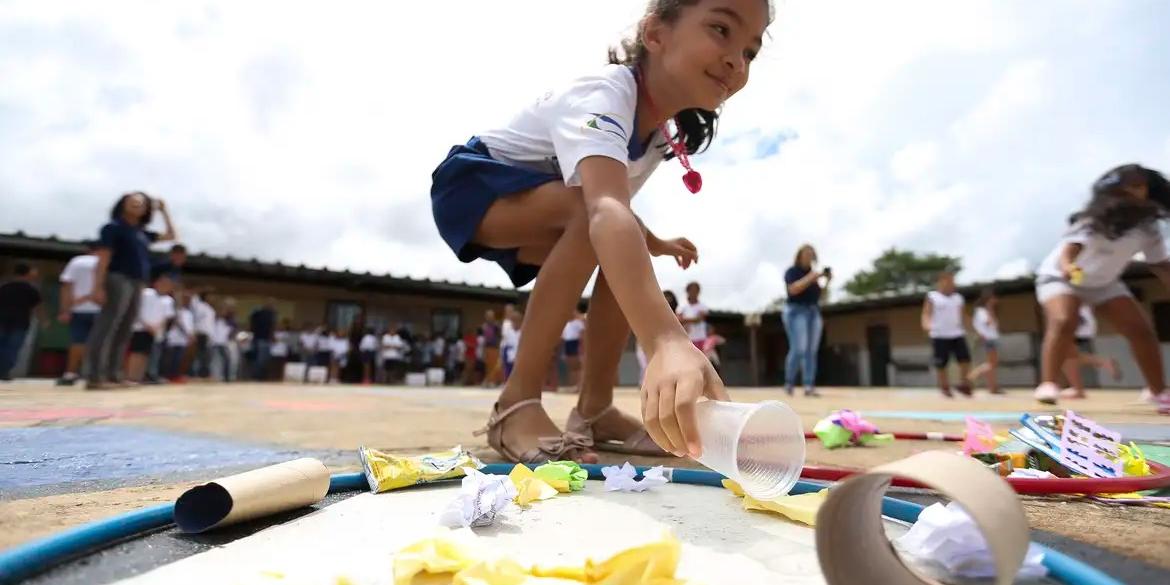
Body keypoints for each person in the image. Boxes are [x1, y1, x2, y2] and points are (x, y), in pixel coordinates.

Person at [429, 0, 768, 462]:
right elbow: (603, 207)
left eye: (751, 50)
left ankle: (594, 409)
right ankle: (515, 402)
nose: (736, 60)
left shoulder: (655, 140)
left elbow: (614, 211)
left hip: (556, 205)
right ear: (655, 34)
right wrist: (666, 339)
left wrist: (655, 243)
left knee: (620, 251)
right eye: (720, 29)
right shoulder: (604, 93)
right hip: (472, 186)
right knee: (595, 221)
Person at [1032, 164, 1170, 409]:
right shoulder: (1093, 220)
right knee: (1064, 320)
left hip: (1104, 283)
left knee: (1141, 330)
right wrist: (1067, 266)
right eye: (1129, 186)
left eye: (1140, 186)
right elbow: (1070, 249)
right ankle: (1049, 384)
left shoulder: (1149, 229)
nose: (1135, 191)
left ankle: (1157, 391)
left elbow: (1160, 264)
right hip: (1061, 278)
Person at [85, 192, 177, 390]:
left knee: (125, 329)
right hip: (118, 278)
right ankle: (96, 376)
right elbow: (104, 257)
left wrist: (164, 211)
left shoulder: (143, 233)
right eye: (132, 201)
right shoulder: (113, 228)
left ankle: (115, 375)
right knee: (109, 325)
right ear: (123, 205)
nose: (137, 204)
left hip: (138, 282)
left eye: (142, 203)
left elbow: (171, 236)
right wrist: (98, 286)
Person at [783, 244, 828, 397]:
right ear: (800, 255)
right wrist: (811, 277)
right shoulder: (792, 272)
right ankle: (789, 382)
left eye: (811, 254)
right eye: (806, 253)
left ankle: (809, 385)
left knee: (811, 351)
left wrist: (827, 281)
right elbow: (793, 289)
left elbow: (822, 296)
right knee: (798, 349)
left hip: (813, 311)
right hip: (796, 311)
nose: (809, 256)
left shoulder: (814, 275)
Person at [921, 270, 973, 397]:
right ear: (941, 282)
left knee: (965, 359)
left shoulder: (958, 298)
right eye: (948, 280)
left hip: (957, 333)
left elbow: (962, 315)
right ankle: (945, 387)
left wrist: (972, 326)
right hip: (939, 334)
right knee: (941, 363)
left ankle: (964, 384)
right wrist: (926, 324)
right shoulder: (932, 296)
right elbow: (926, 313)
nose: (951, 283)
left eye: (952, 281)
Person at [56, 242, 100, 385]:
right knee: (100, 343)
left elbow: (66, 286)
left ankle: (70, 373)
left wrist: (65, 309)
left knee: (77, 341)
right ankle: (95, 374)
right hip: (102, 309)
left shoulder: (77, 262)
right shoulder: (108, 263)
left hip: (78, 308)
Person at [1060, 305, 1121, 399]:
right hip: (1081, 319)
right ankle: (1103, 362)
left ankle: (1078, 389)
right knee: (1067, 355)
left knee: (1065, 354)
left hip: (1078, 319)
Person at [126, 273, 174, 382]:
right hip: (140, 327)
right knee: (136, 353)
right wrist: (147, 325)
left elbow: (166, 318)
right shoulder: (146, 294)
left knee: (145, 354)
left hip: (155, 331)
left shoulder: (168, 300)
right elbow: (137, 310)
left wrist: (157, 327)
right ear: (156, 283)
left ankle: (139, 377)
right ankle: (131, 376)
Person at [0, 262, 43, 381]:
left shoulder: (4, 287)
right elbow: (38, 307)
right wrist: (44, 321)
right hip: (21, 323)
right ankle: (4, 372)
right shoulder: (31, 290)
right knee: (12, 349)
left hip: (2, 321)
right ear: (28, 273)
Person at [967, 288, 1003, 394]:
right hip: (989, 339)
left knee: (992, 364)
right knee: (991, 364)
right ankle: (972, 376)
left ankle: (992, 387)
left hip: (992, 338)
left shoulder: (985, 310)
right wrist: (990, 311)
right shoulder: (982, 311)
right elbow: (986, 323)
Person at [163, 292, 192, 381]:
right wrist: (186, 333)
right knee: (170, 359)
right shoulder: (176, 311)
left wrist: (190, 335)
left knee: (179, 359)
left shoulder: (188, 312)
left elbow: (189, 326)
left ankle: (175, 376)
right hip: (173, 338)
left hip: (182, 340)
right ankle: (168, 376)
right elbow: (178, 323)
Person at [248, 300, 277, 381]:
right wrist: (272, 337)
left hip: (256, 338)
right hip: (263, 339)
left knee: (257, 358)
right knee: (262, 359)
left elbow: (251, 323)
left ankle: (256, 376)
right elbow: (271, 327)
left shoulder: (256, 313)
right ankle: (258, 376)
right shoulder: (270, 315)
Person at [676, 282, 710, 349]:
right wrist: (694, 319)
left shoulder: (703, 306)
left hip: (700, 338)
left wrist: (684, 319)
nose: (694, 292)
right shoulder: (682, 306)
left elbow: (699, 320)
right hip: (686, 339)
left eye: (696, 290)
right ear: (687, 291)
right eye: (692, 290)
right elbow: (678, 320)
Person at [562, 302, 587, 387]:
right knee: (571, 365)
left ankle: (579, 385)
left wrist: (582, 346)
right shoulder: (566, 324)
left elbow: (582, 334)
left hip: (576, 343)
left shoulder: (578, 322)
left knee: (578, 366)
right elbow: (564, 336)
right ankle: (573, 384)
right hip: (568, 343)